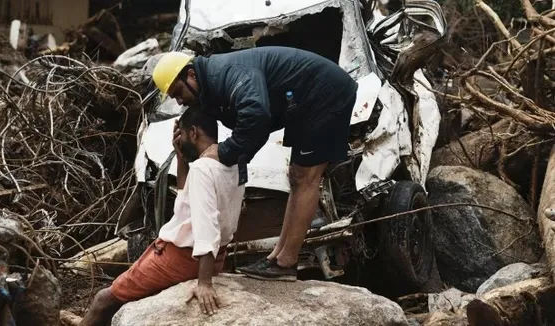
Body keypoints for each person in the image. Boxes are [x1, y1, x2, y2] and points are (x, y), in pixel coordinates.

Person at [152, 46, 358, 282]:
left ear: (191, 74)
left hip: (325, 93)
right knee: (296, 176)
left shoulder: (226, 74)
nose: (180, 100)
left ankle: (286, 262)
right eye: (174, 98)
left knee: (306, 177)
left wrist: (226, 151)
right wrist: (186, 147)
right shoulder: (208, 86)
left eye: (178, 91)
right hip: (302, 101)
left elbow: (256, 116)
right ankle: (277, 257)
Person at [76, 108, 245, 326]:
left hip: (181, 258)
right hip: (211, 257)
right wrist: (181, 158)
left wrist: (204, 283)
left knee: (103, 299)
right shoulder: (232, 163)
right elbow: (188, 203)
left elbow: (207, 226)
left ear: (193, 133)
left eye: (181, 135)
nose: (179, 140)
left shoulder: (203, 168)